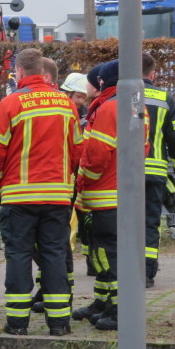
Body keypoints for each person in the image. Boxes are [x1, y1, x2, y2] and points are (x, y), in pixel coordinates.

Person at [0, 48, 82, 336]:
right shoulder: (66, 105)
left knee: (18, 256)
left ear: (20, 73)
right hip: (57, 196)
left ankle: (17, 324)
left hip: (18, 196)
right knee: (54, 255)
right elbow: (78, 150)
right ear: (43, 72)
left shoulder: (10, 104)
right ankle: (59, 323)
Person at [73, 60, 124, 331]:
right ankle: (104, 302)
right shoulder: (131, 104)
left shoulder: (109, 108)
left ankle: (117, 308)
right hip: (120, 191)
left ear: (103, 82)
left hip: (104, 193)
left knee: (106, 253)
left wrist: (84, 183)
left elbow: (96, 155)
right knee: (107, 251)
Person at [142, 53, 175, 288]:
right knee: (150, 223)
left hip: (121, 176)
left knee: (121, 222)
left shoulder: (118, 95)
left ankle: (120, 271)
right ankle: (147, 274)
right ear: (153, 74)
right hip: (154, 173)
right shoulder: (164, 98)